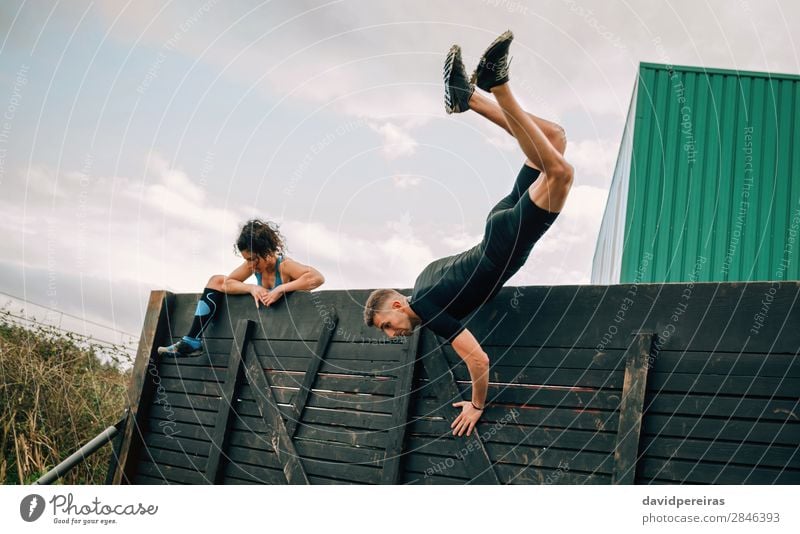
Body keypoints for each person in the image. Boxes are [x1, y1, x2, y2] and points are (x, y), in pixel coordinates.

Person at [363, 31, 573, 438]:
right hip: (495, 224)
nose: (393, 334)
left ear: (394, 302)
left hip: (506, 241)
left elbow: (478, 362)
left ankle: (498, 86)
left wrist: (477, 404)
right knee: (556, 139)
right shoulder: (424, 279)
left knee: (561, 171)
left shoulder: (426, 307)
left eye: (386, 325)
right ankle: (469, 99)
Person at [158, 219, 325, 357]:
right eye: (247, 260)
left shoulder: (285, 266)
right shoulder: (251, 266)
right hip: (257, 336)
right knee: (216, 279)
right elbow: (224, 283)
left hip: (287, 339)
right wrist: (251, 288)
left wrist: (280, 289)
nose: (251, 265)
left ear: (267, 251)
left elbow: (317, 278)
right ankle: (192, 341)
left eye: (253, 259)